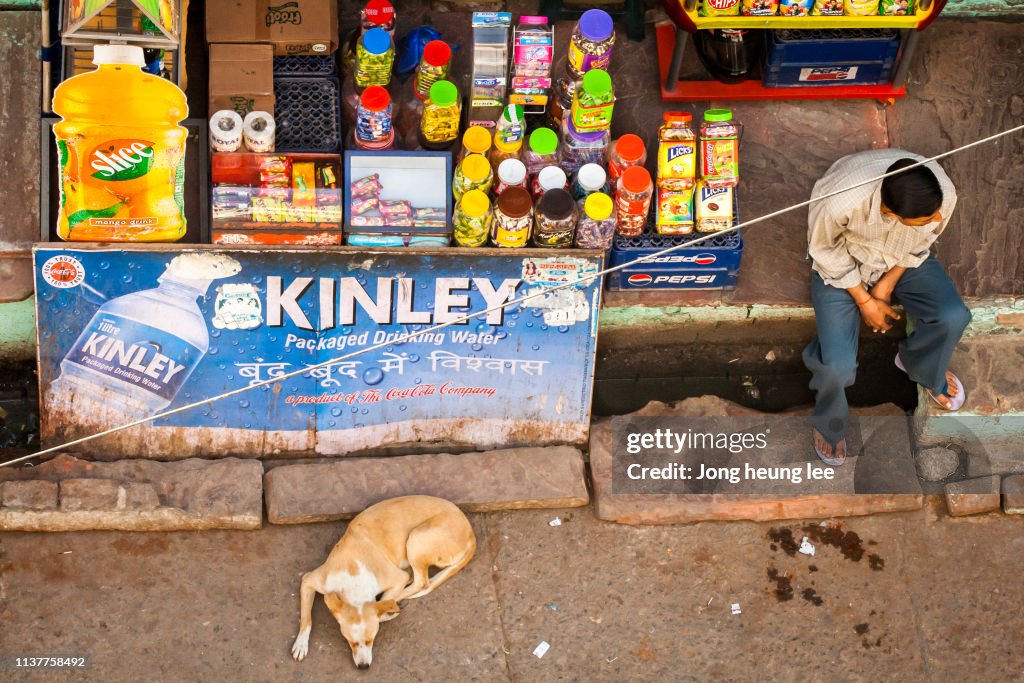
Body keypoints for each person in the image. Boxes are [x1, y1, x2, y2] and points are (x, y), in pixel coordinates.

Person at [803, 149, 971, 466]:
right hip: (842, 264)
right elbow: (824, 250)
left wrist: (885, 286)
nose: (938, 218)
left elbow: (922, 243)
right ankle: (829, 420)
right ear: (889, 213)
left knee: (952, 316)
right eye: (925, 219)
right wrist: (865, 301)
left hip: (900, 261)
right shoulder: (841, 200)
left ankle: (919, 363)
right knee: (837, 366)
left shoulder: (942, 195)